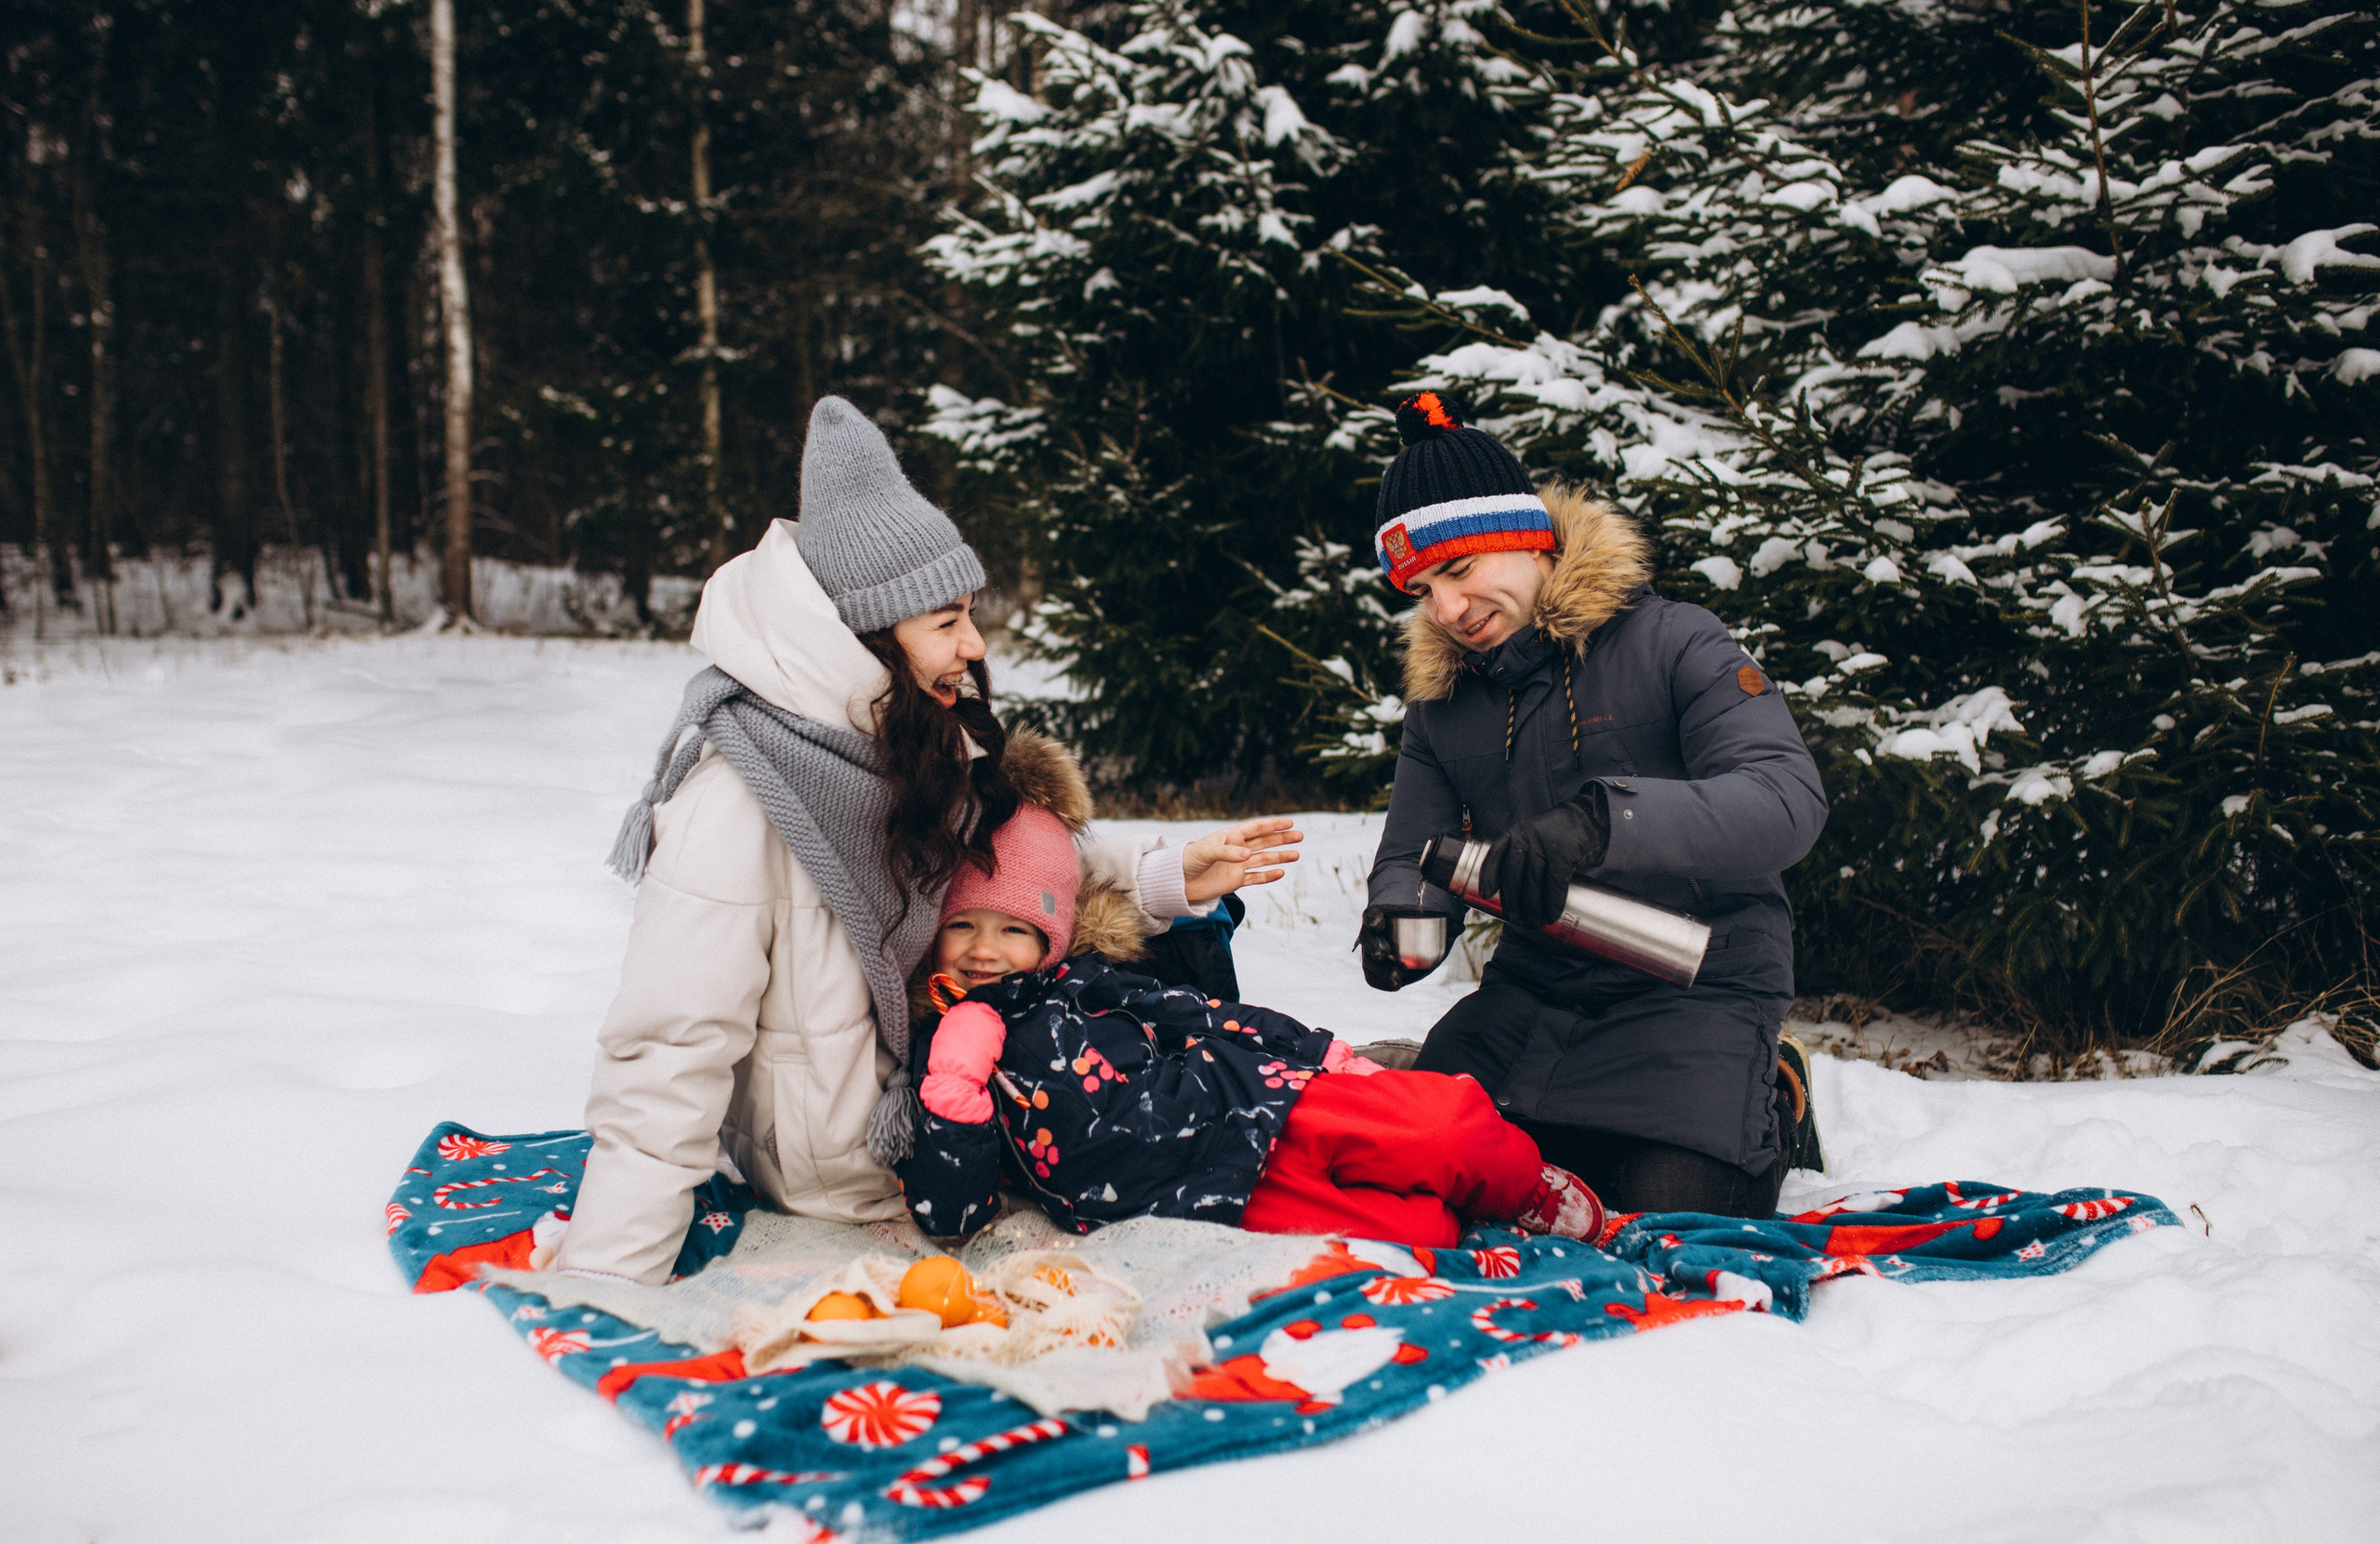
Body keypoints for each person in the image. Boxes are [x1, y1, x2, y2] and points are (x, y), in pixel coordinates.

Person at [552, 397, 1301, 1284]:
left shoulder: (906, 735)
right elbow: (670, 1046)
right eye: (946, 621)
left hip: (960, 1105)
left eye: (968, 615)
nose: (974, 644)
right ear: (864, 633)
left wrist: (1165, 875)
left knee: (1178, 1065)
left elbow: (1004, 865)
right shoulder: (746, 794)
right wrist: (604, 1280)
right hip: (855, 1169)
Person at [1355, 392, 1829, 1219]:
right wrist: (1401, 926)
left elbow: (1787, 799)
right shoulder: (1442, 706)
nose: (1447, 611)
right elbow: (1411, 856)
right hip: (1533, 990)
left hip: (1696, 980)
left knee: (1667, 1209)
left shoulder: (1678, 641)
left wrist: (1602, 822)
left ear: (1529, 539)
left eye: (1460, 572)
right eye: (1423, 589)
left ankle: (1777, 1091)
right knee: (1416, 1175)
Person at [893, 759, 1606, 1250]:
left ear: (1049, 937)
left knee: (1433, 1127)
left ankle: (1521, 1182)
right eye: (963, 926)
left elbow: (1201, 1015)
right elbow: (951, 1213)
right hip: (1188, 1194)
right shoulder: (942, 1050)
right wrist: (955, 1096)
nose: (983, 949)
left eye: (1013, 929)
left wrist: (1317, 1052)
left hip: (1240, 1101)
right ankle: (1472, 1211)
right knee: (1415, 1234)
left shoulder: (1084, 983)